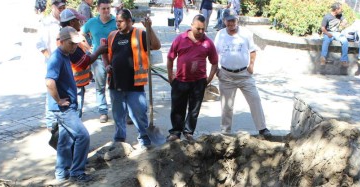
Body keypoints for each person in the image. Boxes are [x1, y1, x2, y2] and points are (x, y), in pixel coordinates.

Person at [104, 9, 161, 149]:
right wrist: (106, 65)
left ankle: (144, 139)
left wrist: (149, 28)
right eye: (116, 21)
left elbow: (156, 45)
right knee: (118, 115)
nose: (118, 24)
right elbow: (105, 52)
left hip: (135, 83)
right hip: (115, 82)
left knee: (139, 114)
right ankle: (119, 140)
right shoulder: (112, 35)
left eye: (120, 21)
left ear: (129, 21)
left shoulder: (139, 34)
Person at [46, 26, 92, 183]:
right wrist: (59, 100)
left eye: (75, 44)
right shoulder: (57, 58)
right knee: (82, 136)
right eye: (72, 44)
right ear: (63, 41)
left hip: (67, 106)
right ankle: (77, 171)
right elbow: (49, 82)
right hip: (63, 108)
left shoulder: (65, 55)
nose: (75, 47)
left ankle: (61, 173)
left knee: (65, 141)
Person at [214, 9, 270, 137]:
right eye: (228, 21)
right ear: (224, 21)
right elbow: (214, 53)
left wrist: (251, 66)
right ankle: (225, 131)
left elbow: (252, 51)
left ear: (237, 20)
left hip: (244, 74)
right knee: (226, 105)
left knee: (255, 99)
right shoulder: (220, 35)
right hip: (226, 75)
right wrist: (216, 69)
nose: (231, 23)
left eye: (233, 20)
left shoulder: (245, 33)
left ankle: (262, 128)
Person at [166, 14, 218, 142]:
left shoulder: (208, 43)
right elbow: (170, 57)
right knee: (177, 108)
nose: (201, 32)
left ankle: (188, 132)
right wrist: (170, 76)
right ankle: (176, 132)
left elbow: (215, 62)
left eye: (203, 29)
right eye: (198, 29)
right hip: (180, 80)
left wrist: (209, 79)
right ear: (191, 26)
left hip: (198, 82)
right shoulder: (180, 39)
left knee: (194, 110)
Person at [60, 8, 107, 118]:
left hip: (74, 83)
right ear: (72, 22)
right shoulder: (70, 42)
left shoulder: (66, 37)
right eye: (78, 20)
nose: (80, 23)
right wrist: (99, 50)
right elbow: (84, 61)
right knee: (75, 115)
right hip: (73, 85)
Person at [81, 0, 116, 123]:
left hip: (114, 59)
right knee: (100, 87)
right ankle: (103, 111)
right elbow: (80, 33)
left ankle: (119, 110)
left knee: (115, 86)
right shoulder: (91, 22)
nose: (106, 11)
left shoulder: (116, 21)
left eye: (108, 8)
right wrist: (87, 46)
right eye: (103, 9)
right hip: (98, 60)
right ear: (98, 10)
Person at [38, 0, 67, 133]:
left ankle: (61, 120)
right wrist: (52, 59)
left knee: (62, 89)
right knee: (51, 89)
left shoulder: (63, 21)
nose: (62, 10)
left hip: (64, 62)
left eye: (63, 7)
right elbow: (41, 45)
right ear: (53, 7)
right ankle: (51, 122)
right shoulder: (46, 23)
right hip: (52, 61)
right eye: (60, 7)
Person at [320, 2, 349, 67]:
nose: (341, 10)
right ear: (336, 9)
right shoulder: (327, 17)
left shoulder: (340, 15)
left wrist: (344, 23)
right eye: (340, 9)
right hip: (328, 32)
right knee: (326, 41)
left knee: (345, 41)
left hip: (336, 33)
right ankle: (323, 58)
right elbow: (322, 28)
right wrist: (327, 33)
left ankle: (344, 60)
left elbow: (345, 21)